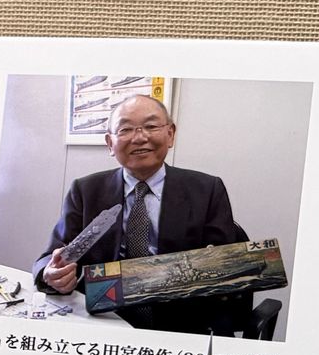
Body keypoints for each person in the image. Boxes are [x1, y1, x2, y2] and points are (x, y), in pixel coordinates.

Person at [32, 93, 248, 334]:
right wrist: (51, 273)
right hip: (101, 320)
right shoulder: (85, 190)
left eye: (151, 126)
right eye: (125, 129)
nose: (139, 137)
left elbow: (226, 265)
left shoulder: (207, 189)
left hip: (181, 322)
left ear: (170, 134)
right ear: (110, 143)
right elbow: (50, 256)